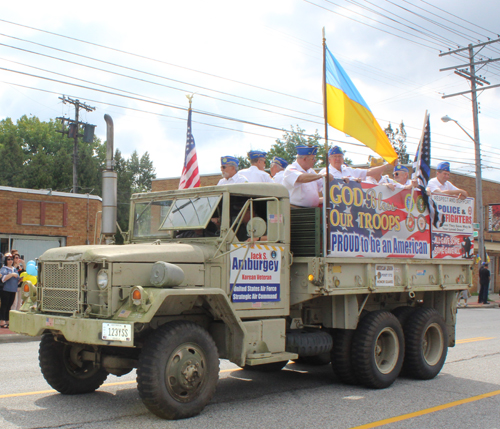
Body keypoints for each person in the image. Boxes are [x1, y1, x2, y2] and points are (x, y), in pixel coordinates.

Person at [319, 146, 394, 182]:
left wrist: (387, 166)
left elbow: (369, 172)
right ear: (329, 159)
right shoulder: (324, 172)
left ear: (343, 158)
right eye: (335, 156)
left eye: (340, 156)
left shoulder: (348, 170)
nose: (337, 159)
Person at [0, 253, 22, 328]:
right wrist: (12, 274)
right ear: (6, 260)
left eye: (11, 259)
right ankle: (2, 320)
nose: (10, 261)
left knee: (9, 305)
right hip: (6, 289)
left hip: (13, 289)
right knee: (4, 305)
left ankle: (7, 320)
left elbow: (17, 280)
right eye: (8, 259)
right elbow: (3, 279)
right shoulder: (4, 269)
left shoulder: (14, 269)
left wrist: (21, 279)